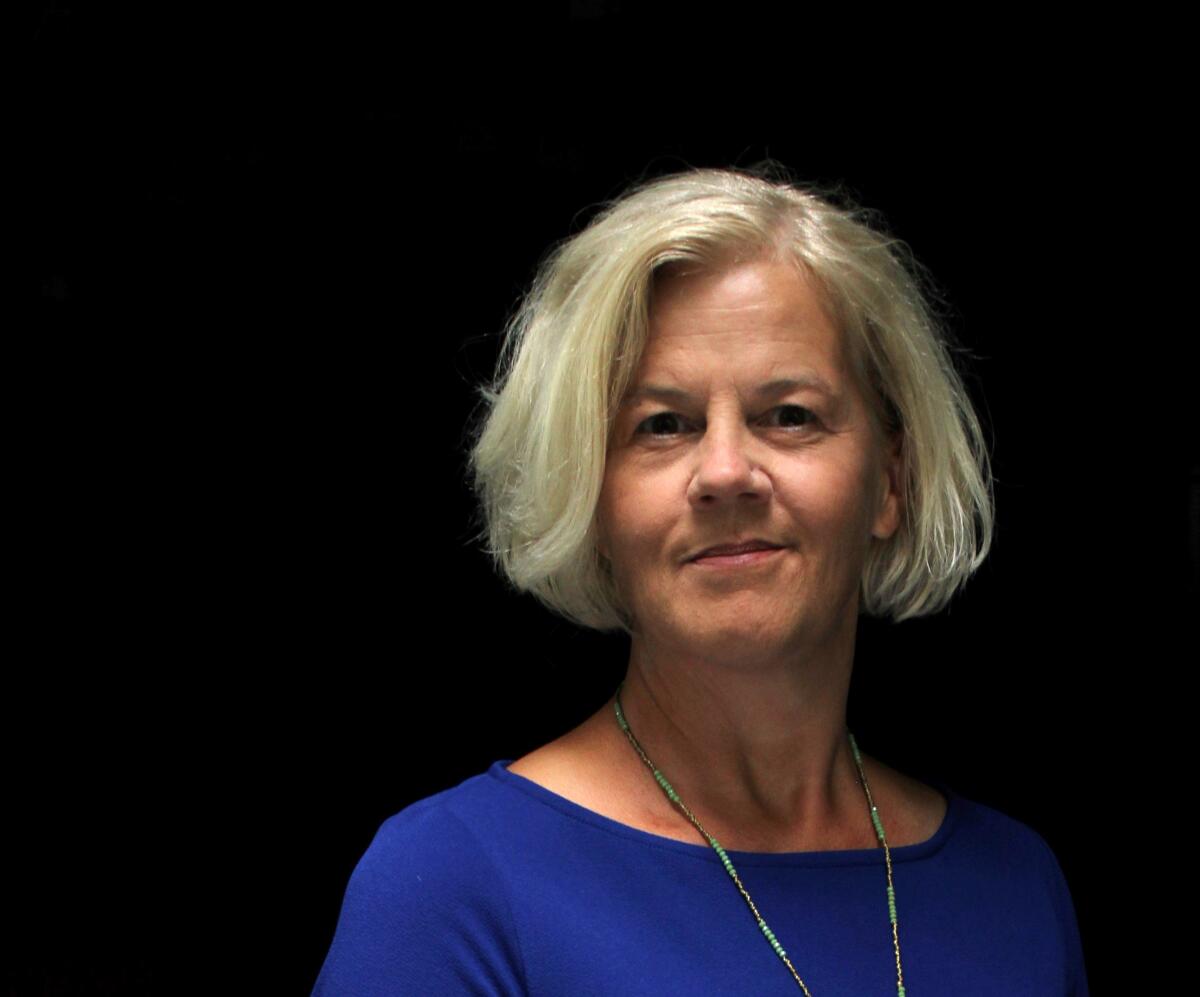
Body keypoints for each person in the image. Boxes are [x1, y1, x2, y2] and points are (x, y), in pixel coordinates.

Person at [311, 165, 1089, 995]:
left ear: (890, 482)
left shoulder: (1016, 889)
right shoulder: (452, 887)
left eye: (789, 414)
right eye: (664, 425)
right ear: (592, 496)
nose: (725, 472)